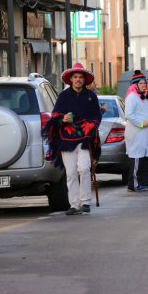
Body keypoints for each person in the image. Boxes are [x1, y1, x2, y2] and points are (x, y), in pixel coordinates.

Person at [42, 63, 102, 215]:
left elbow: (97, 117)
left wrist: (90, 127)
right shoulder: (63, 96)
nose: (78, 80)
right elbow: (55, 117)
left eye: (81, 77)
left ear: (84, 80)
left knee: (84, 168)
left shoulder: (91, 96)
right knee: (71, 172)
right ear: (71, 79)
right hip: (66, 140)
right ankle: (74, 204)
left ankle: (86, 202)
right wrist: (63, 119)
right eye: (75, 77)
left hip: (85, 138)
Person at [124, 70, 148, 192]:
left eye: (144, 83)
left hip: (146, 133)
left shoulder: (143, 97)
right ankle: (134, 184)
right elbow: (129, 115)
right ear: (135, 84)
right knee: (137, 158)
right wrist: (141, 123)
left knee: (147, 157)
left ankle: (145, 181)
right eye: (141, 83)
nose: (144, 85)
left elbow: (142, 111)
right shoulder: (132, 97)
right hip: (136, 133)